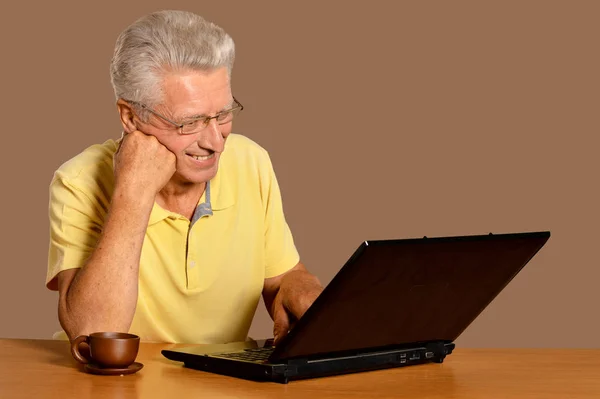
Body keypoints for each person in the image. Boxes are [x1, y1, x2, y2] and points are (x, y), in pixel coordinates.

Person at [45, 10, 323, 345]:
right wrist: (133, 191)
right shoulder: (78, 180)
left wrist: (302, 288)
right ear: (130, 117)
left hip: (222, 385)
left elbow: (284, 277)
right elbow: (93, 335)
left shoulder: (251, 161)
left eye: (222, 114)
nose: (215, 141)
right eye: (189, 123)